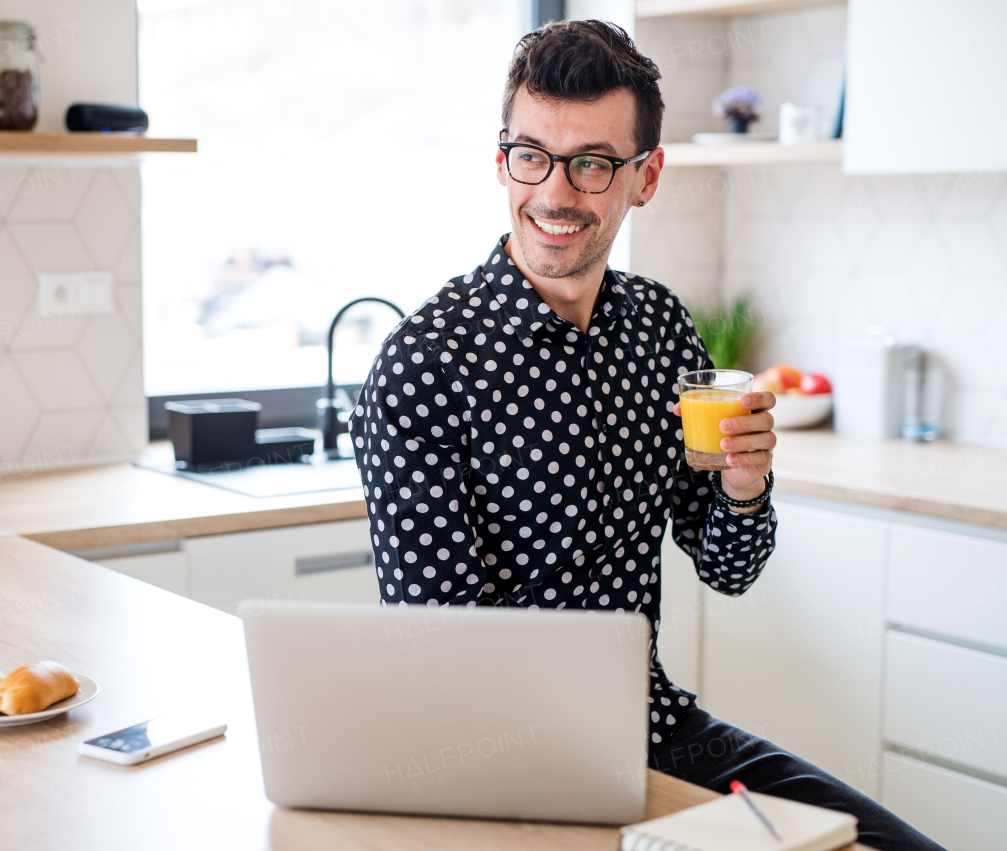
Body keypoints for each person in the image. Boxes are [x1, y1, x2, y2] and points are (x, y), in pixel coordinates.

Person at [350, 19, 943, 851]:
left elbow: (729, 568)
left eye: (592, 163)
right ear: (501, 160)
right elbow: (447, 659)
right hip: (502, 773)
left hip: (661, 731)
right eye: (532, 155)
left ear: (646, 177)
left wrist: (743, 486)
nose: (554, 193)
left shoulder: (661, 330)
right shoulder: (425, 367)